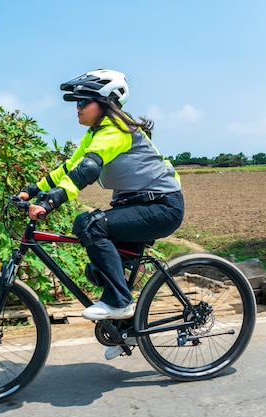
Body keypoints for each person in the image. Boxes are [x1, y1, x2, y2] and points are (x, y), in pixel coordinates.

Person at [19, 69, 184, 359]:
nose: (77, 108)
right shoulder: (96, 133)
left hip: (161, 206)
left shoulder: (116, 130)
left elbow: (87, 170)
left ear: (104, 102)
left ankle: (120, 301)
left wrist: (51, 202)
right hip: (137, 205)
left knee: (89, 224)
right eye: (77, 103)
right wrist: (32, 190)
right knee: (97, 270)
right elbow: (70, 168)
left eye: (83, 102)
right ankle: (126, 329)